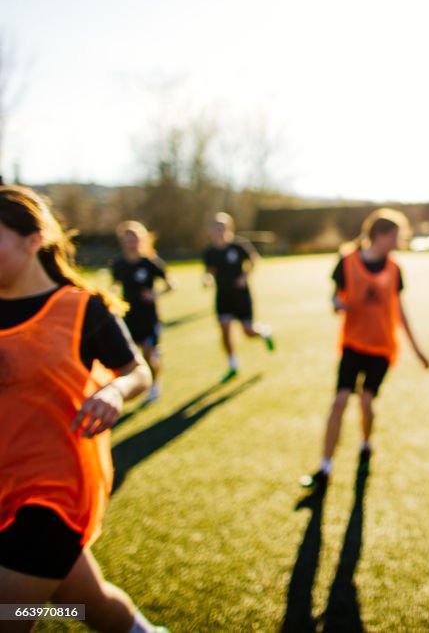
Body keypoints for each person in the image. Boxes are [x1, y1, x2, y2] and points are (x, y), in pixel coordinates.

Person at [0, 186, 167, 633]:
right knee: (87, 603)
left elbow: (137, 372)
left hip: (56, 491)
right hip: (4, 482)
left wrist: (115, 391)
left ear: (33, 240)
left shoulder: (81, 308)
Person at [300, 209, 429, 491]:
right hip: (352, 344)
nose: (397, 242)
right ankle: (324, 468)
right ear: (379, 235)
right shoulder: (347, 262)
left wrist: (417, 350)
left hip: (382, 347)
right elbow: (335, 296)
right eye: (394, 236)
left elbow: (400, 312)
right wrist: (337, 304)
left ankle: (366, 443)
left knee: (366, 401)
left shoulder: (395, 269)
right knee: (339, 401)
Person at [201, 212, 274, 382]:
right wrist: (207, 279)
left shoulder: (238, 246)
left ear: (229, 228)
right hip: (223, 296)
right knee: (225, 329)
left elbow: (254, 259)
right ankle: (233, 364)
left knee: (248, 332)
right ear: (212, 230)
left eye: (222, 227)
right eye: (216, 228)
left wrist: (245, 276)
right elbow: (209, 271)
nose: (219, 231)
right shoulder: (210, 251)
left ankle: (264, 333)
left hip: (241, 296)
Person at [111, 221, 174, 403]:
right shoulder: (118, 264)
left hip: (148, 316)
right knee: (131, 357)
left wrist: (155, 294)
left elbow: (171, 284)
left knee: (147, 352)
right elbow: (115, 286)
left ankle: (154, 385)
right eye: (127, 239)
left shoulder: (150, 262)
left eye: (134, 238)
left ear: (142, 240)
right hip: (128, 316)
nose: (131, 243)